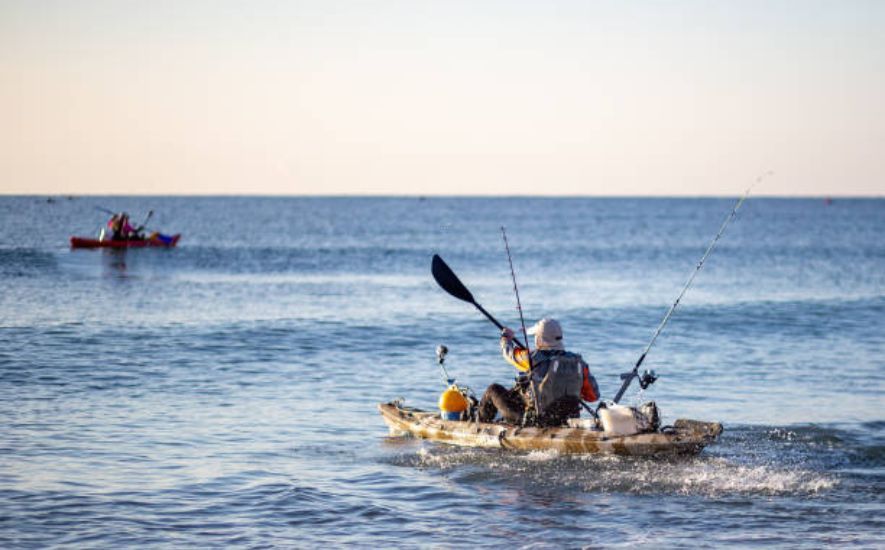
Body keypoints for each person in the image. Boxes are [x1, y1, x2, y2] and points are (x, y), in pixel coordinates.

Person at [478, 317, 600, 426]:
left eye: (536, 336)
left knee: (493, 390)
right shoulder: (579, 363)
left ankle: (478, 426)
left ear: (540, 339)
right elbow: (593, 396)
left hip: (536, 420)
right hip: (567, 418)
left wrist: (506, 338)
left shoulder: (532, 358)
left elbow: (509, 353)